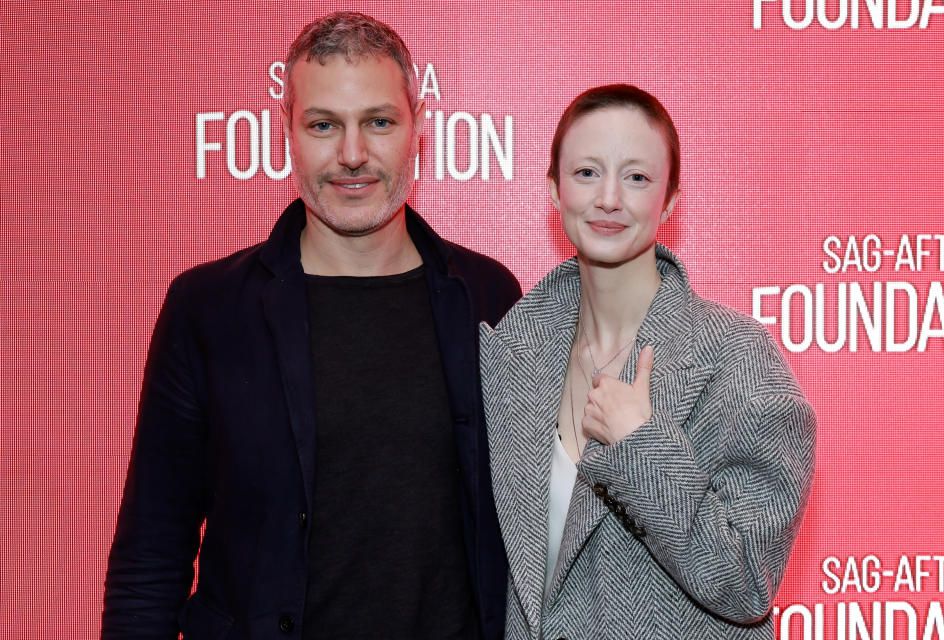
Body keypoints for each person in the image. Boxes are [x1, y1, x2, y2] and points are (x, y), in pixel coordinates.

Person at [102, 12, 520, 640]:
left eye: (378, 122)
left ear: (417, 130)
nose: (352, 155)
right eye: (324, 125)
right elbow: (151, 555)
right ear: (287, 134)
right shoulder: (208, 308)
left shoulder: (489, 296)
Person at [479, 84, 815, 639]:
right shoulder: (508, 354)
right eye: (587, 173)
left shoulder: (737, 360)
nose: (609, 197)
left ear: (671, 199)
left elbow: (746, 583)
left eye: (636, 177)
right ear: (554, 189)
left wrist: (641, 445)